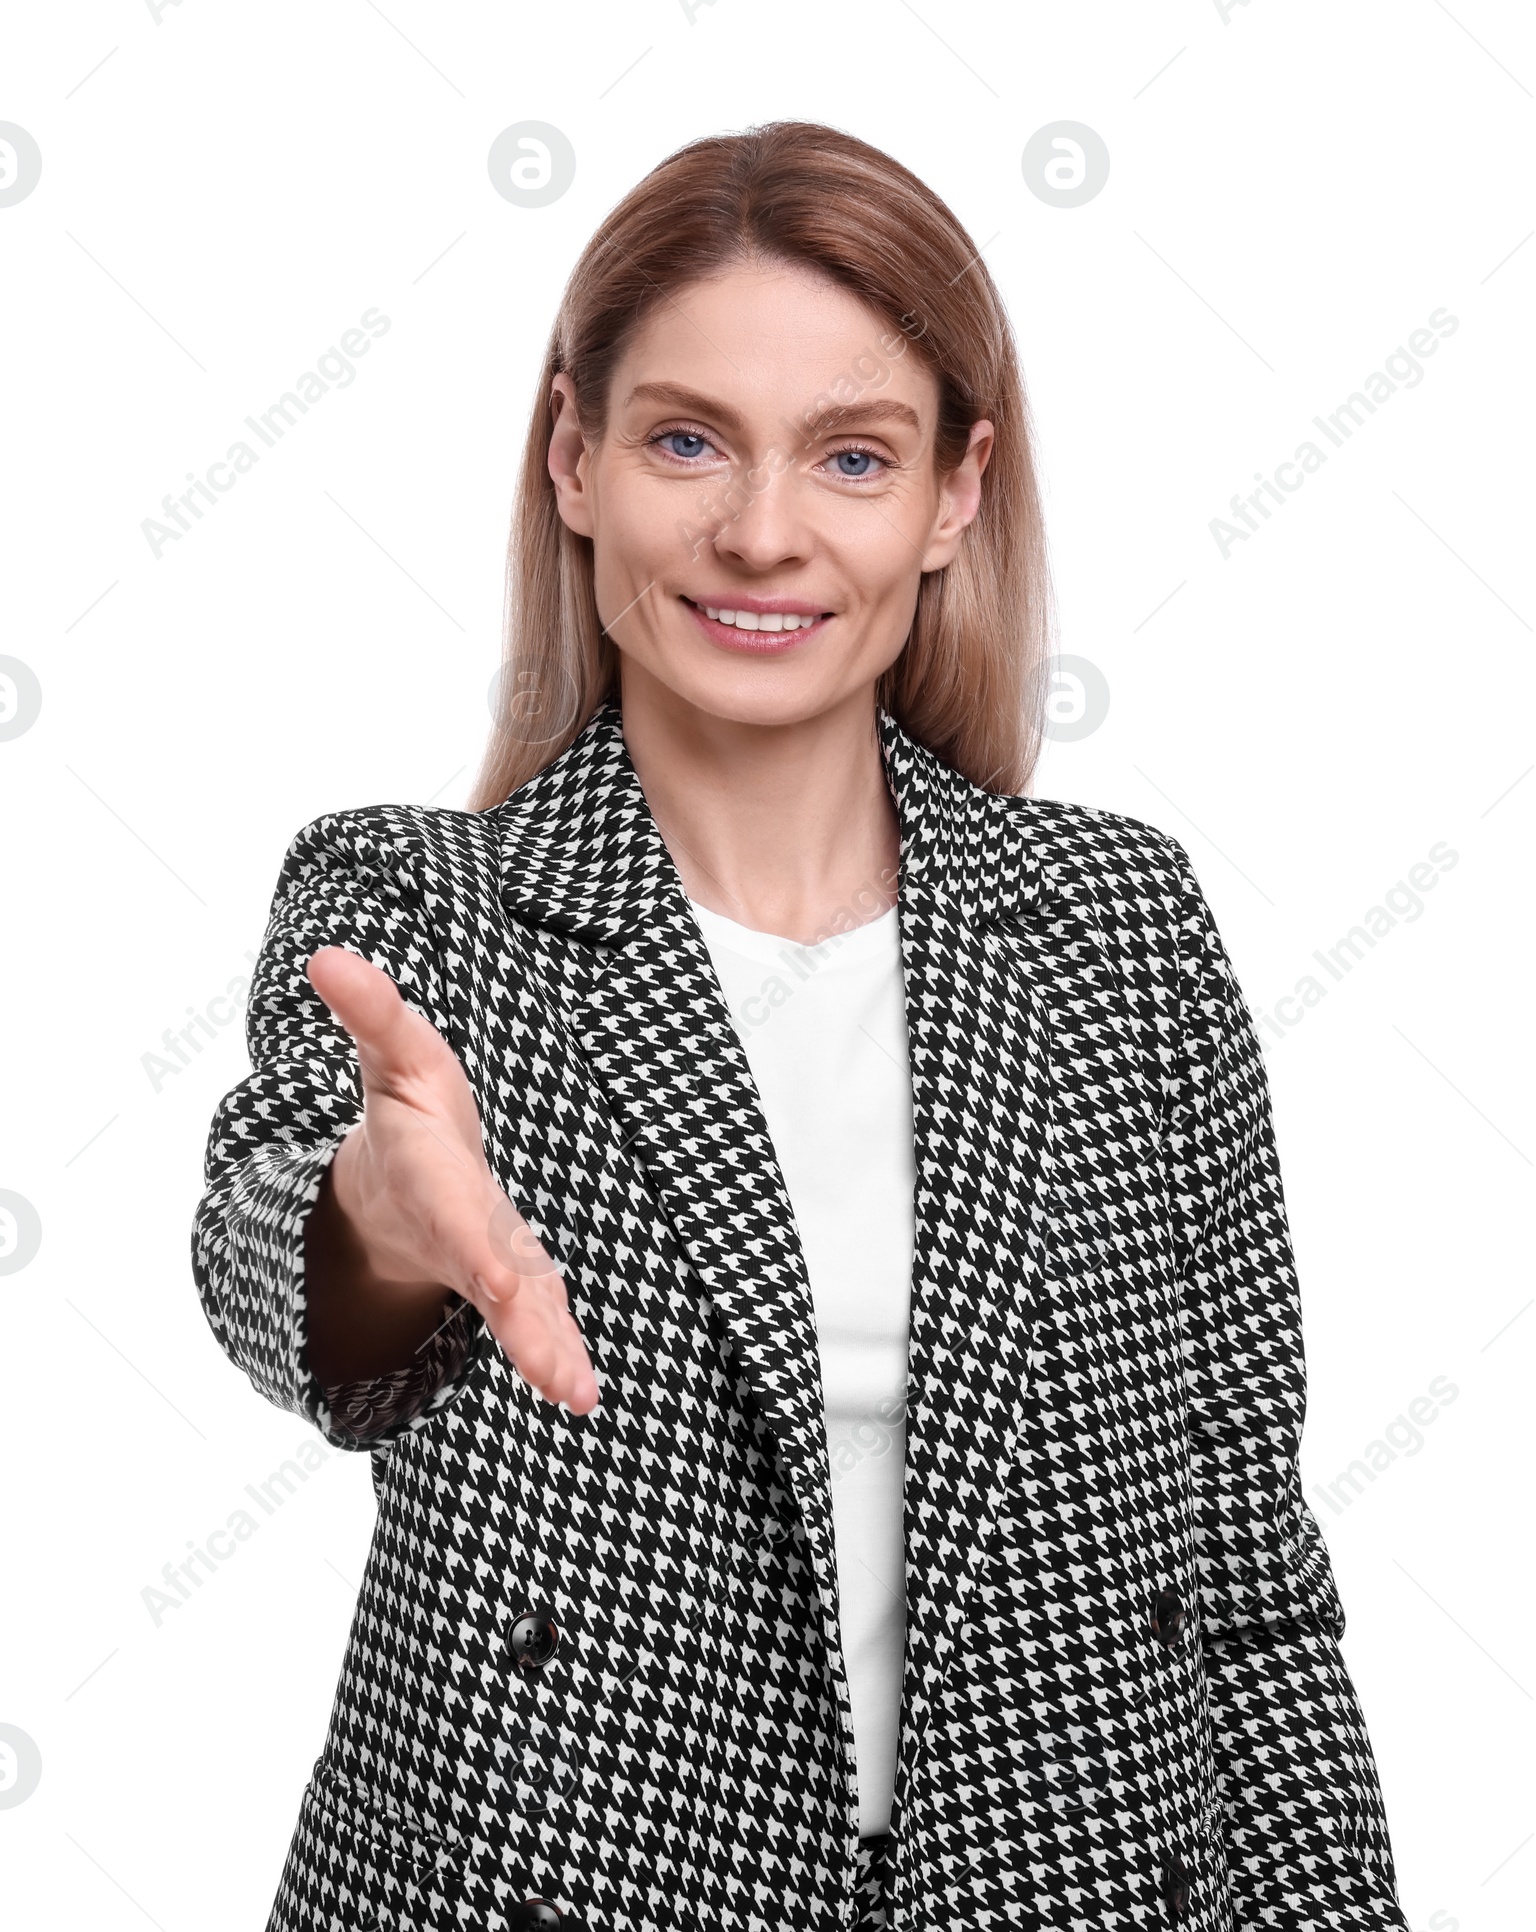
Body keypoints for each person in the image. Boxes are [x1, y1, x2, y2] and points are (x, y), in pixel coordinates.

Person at [193, 120, 1410, 1932]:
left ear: (953, 496)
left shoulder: (1121, 929)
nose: (761, 531)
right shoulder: (410, 902)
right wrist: (374, 1215)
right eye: (686, 439)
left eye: (851, 456)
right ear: (575, 458)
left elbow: (1246, 1572)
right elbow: (262, 1236)